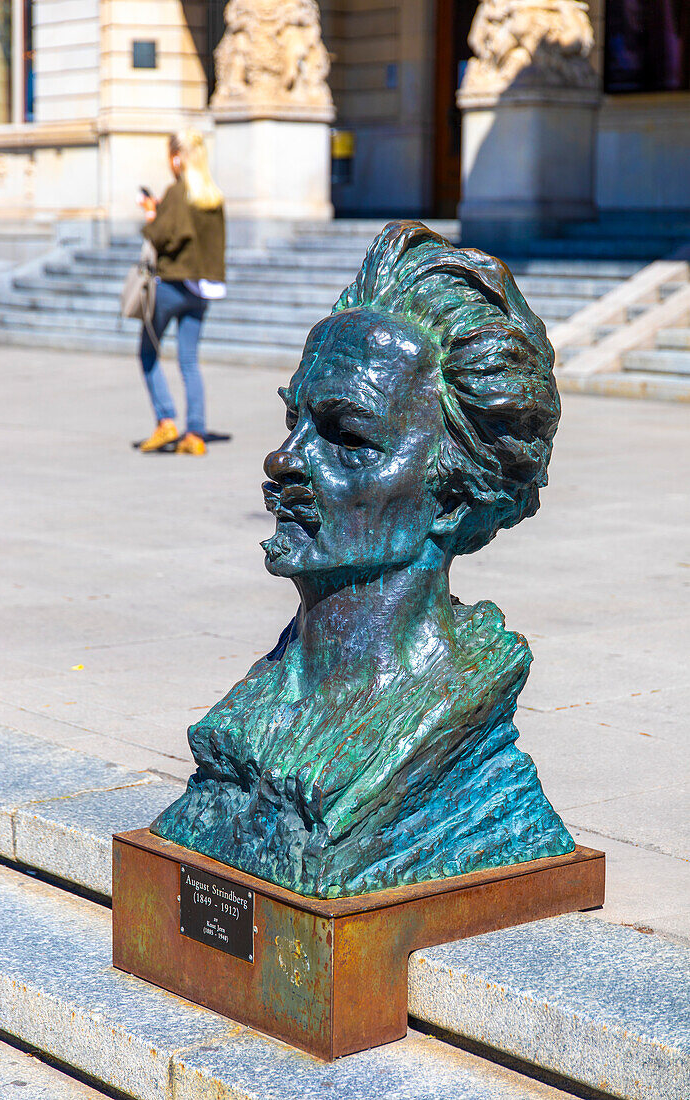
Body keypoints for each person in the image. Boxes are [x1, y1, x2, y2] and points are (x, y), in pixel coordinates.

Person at [152, 220, 574, 898]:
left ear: (455, 497)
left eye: (347, 438)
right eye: (294, 420)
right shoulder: (252, 711)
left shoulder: (439, 735)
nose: (285, 459)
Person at [136, 130, 226, 455]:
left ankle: (166, 421)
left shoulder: (178, 192)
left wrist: (150, 213)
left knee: (147, 353)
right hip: (202, 290)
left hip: (172, 285)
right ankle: (196, 434)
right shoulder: (212, 196)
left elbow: (161, 237)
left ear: (178, 157)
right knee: (189, 360)